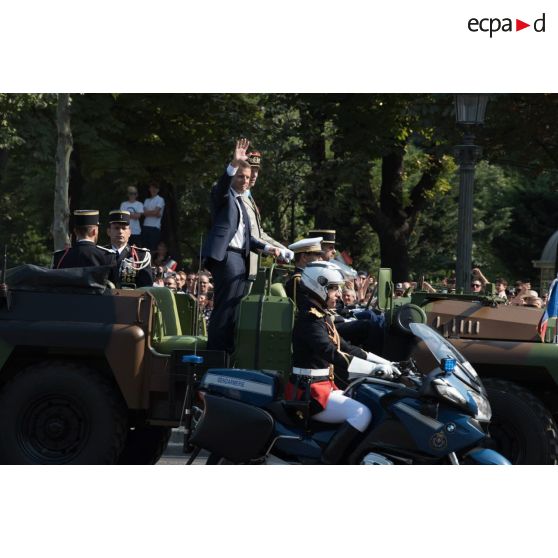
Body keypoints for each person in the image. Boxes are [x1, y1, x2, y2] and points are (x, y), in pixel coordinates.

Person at [287, 261, 400, 464]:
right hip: (309, 392)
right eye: (333, 288)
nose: (338, 293)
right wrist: (374, 369)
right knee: (361, 413)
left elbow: (346, 347)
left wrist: (388, 363)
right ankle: (328, 462)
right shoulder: (309, 320)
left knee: (370, 403)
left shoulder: (321, 317)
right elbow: (331, 353)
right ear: (317, 286)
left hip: (323, 387)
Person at [202, 138, 281, 353]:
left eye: (248, 177)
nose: (245, 181)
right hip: (228, 257)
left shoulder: (242, 203)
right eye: (241, 177)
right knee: (225, 308)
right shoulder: (225, 196)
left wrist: (269, 249)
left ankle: (226, 352)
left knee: (234, 309)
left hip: (240, 258)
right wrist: (233, 164)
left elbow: (249, 239)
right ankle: (216, 354)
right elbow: (220, 187)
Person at [242, 150, 293, 280]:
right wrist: (271, 248)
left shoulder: (249, 198)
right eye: (250, 169)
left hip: (251, 266)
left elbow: (260, 234)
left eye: (256, 170)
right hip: (241, 265)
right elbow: (248, 236)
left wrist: (283, 249)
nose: (254, 174)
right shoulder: (237, 198)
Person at [104, 210, 153, 287]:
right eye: (116, 228)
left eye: (124, 228)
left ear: (129, 232)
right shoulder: (100, 253)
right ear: (108, 232)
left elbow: (146, 287)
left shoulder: (140, 256)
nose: (120, 231)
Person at [285, 237, 323, 308]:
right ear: (304, 257)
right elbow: (306, 309)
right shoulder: (298, 280)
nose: (321, 259)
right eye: (317, 255)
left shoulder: (306, 278)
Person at [142, 181, 165, 252]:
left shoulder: (160, 199)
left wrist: (152, 212)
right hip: (145, 226)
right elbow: (144, 213)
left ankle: (152, 262)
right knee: (144, 248)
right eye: (152, 188)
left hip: (155, 227)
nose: (154, 190)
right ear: (149, 189)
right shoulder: (146, 200)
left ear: (158, 190)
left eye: (156, 188)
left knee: (153, 248)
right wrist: (154, 213)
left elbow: (156, 212)